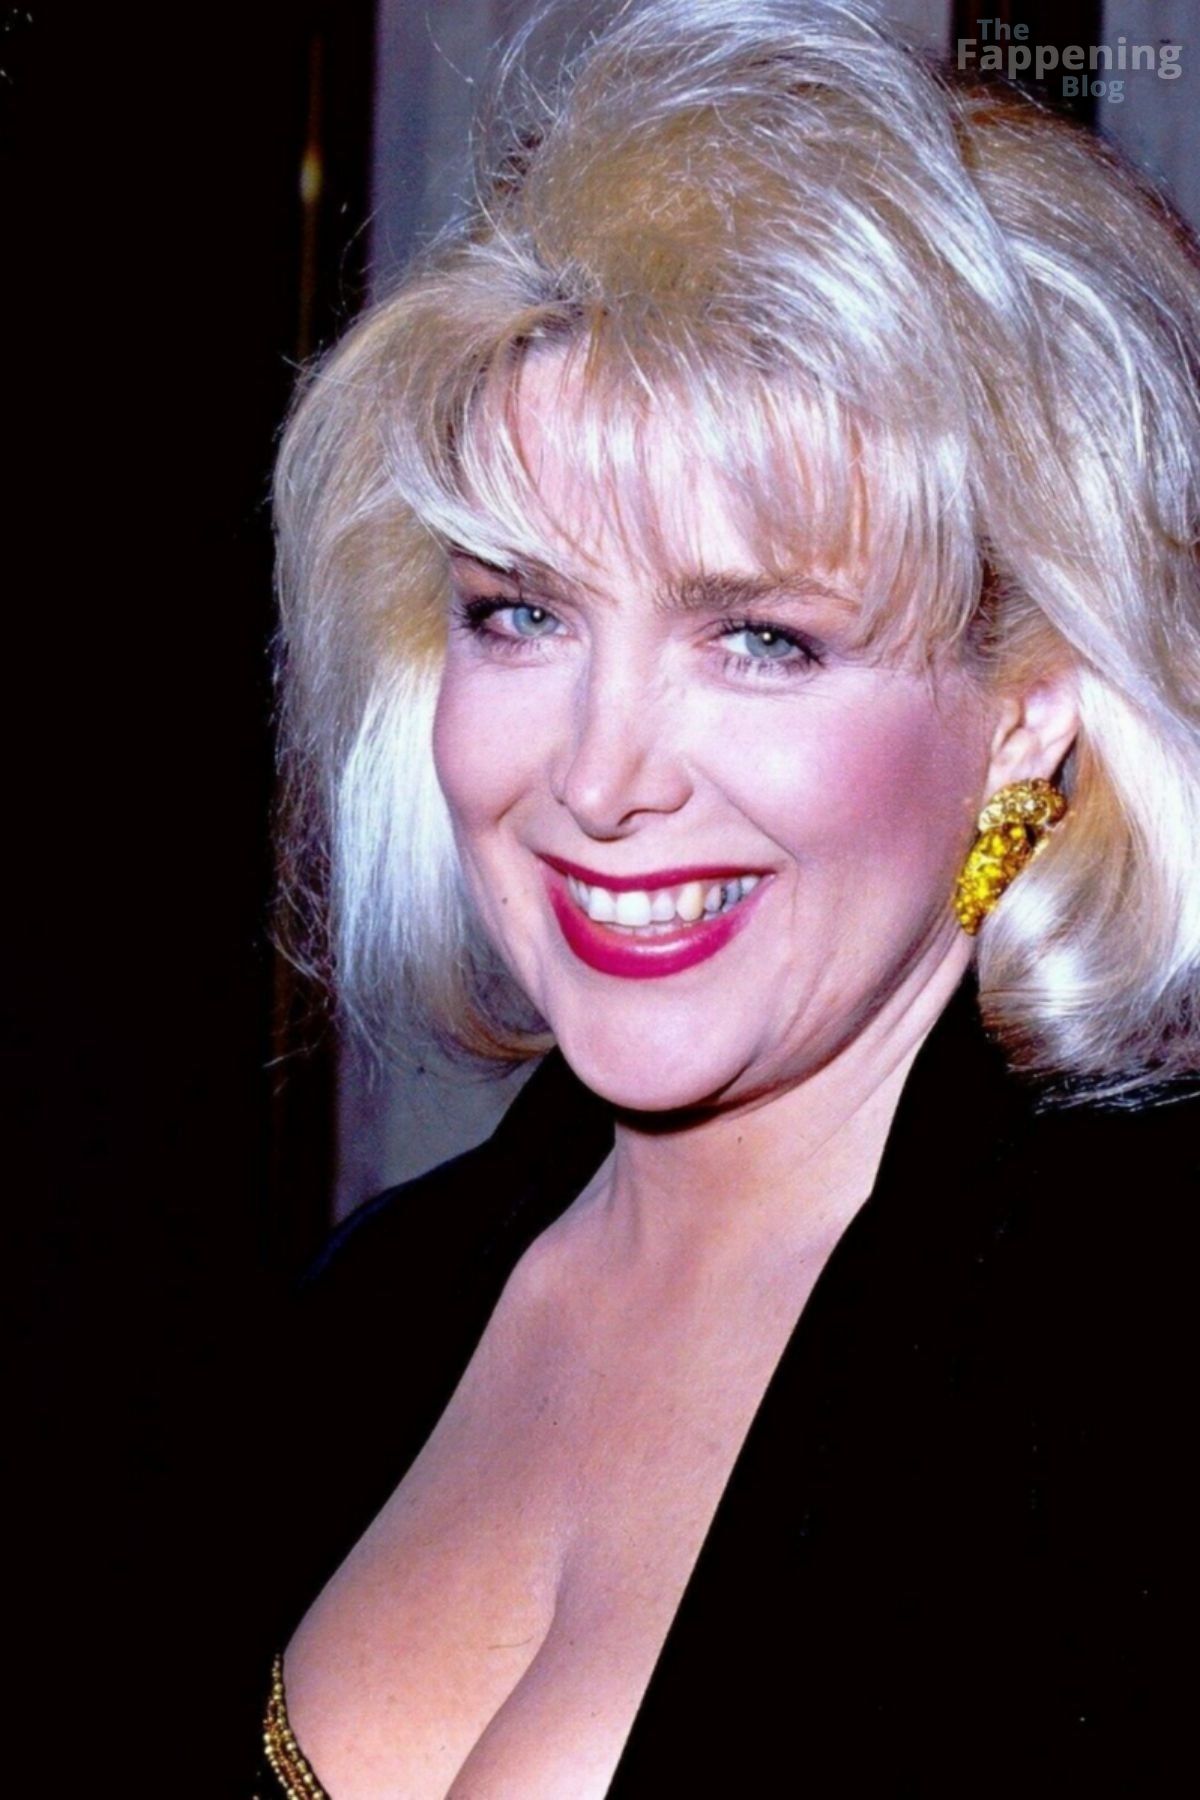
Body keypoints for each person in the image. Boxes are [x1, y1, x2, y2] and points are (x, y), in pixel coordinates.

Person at [251, 1, 1200, 1792]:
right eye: (519, 612)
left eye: (760, 636)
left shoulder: (1139, 1346)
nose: (601, 776)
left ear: (1028, 713)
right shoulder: (372, 1305)